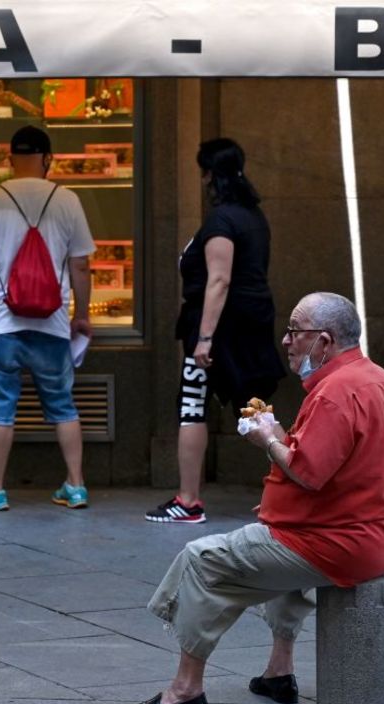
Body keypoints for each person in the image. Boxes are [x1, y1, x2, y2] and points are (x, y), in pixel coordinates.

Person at [122, 292, 384, 704]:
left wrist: (267, 440)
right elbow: (348, 471)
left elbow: (308, 473)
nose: (287, 341)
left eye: (296, 331)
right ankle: (279, 671)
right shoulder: (377, 379)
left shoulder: (335, 393)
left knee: (202, 561)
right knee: (270, 550)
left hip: (335, 542)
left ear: (324, 341)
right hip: (368, 534)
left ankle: (184, 692)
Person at [146, 137, 284, 525]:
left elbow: (218, 280)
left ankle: (188, 500)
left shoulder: (222, 220)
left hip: (218, 330)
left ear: (209, 174)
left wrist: (204, 338)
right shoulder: (253, 216)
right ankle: (300, 486)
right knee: (256, 407)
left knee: (192, 407)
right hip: (251, 323)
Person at [0, 125, 95, 512]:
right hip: (52, 324)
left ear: (9, 159)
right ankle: (76, 485)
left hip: (2, 322)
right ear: (48, 158)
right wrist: (81, 315)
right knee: (63, 405)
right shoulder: (67, 200)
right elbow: (81, 266)